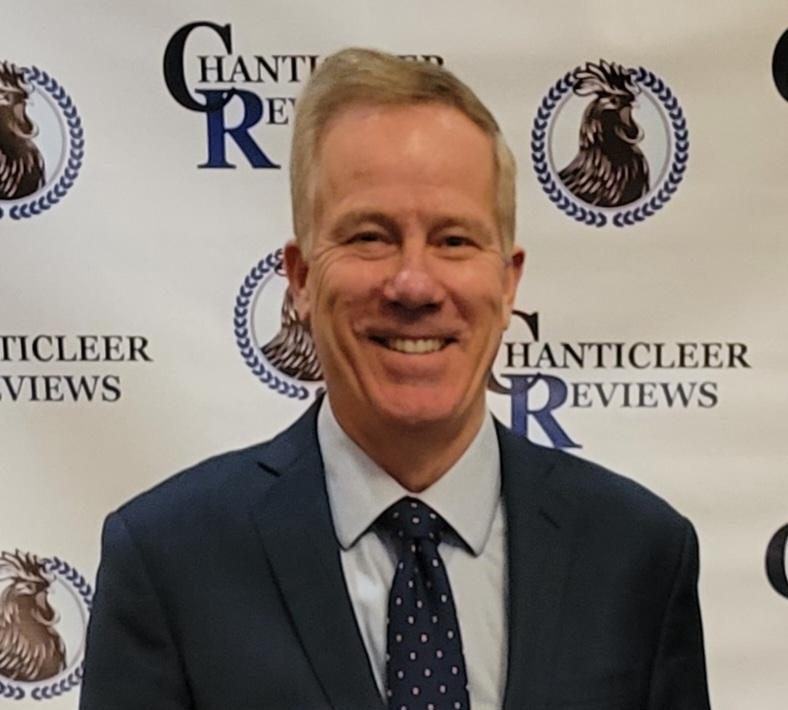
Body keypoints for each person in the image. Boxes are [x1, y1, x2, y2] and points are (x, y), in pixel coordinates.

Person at [80, 48, 711, 710]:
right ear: (298, 279)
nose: (413, 283)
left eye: (455, 241)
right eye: (370, 237)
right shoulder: (167, 561)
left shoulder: (639, 555)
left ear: (507, 282)